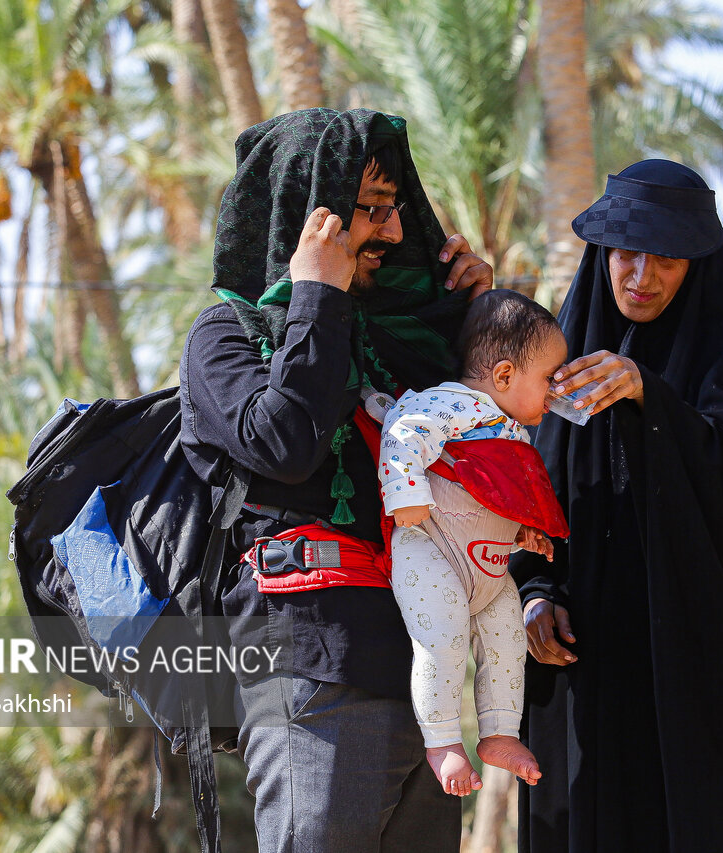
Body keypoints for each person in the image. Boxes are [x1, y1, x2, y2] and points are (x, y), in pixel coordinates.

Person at [180, 108, 494, 852]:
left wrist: (480, 318)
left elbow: (491, 455)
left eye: (395, 206)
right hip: (312, 663)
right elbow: (285, 442)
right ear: (306, 210)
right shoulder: (225, 337)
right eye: (370, 208)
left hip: (425, 673)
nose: (393, 230)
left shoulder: (405, 339)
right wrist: (317, 297)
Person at [513, 159, 723, 851]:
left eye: (666, 260)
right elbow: (529, 496)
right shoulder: (563, 354)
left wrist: (650, 395)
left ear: (694, 267)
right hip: (583, 663)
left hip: (688, 672)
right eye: (626, 254)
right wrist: (535, 593)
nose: (641, 276)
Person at [380, 290, 570, 795]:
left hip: (489, 568)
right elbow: (403, 431)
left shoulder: (515, 433)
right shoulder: (453, 403)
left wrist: (523, 530)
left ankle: (500, 733)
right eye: (548, 378)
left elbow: (496, 495)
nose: (556, 391)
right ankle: (442, 740)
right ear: (504, 375)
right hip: (430, 547)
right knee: (442, 639)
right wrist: (405, 492)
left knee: (508, 640)